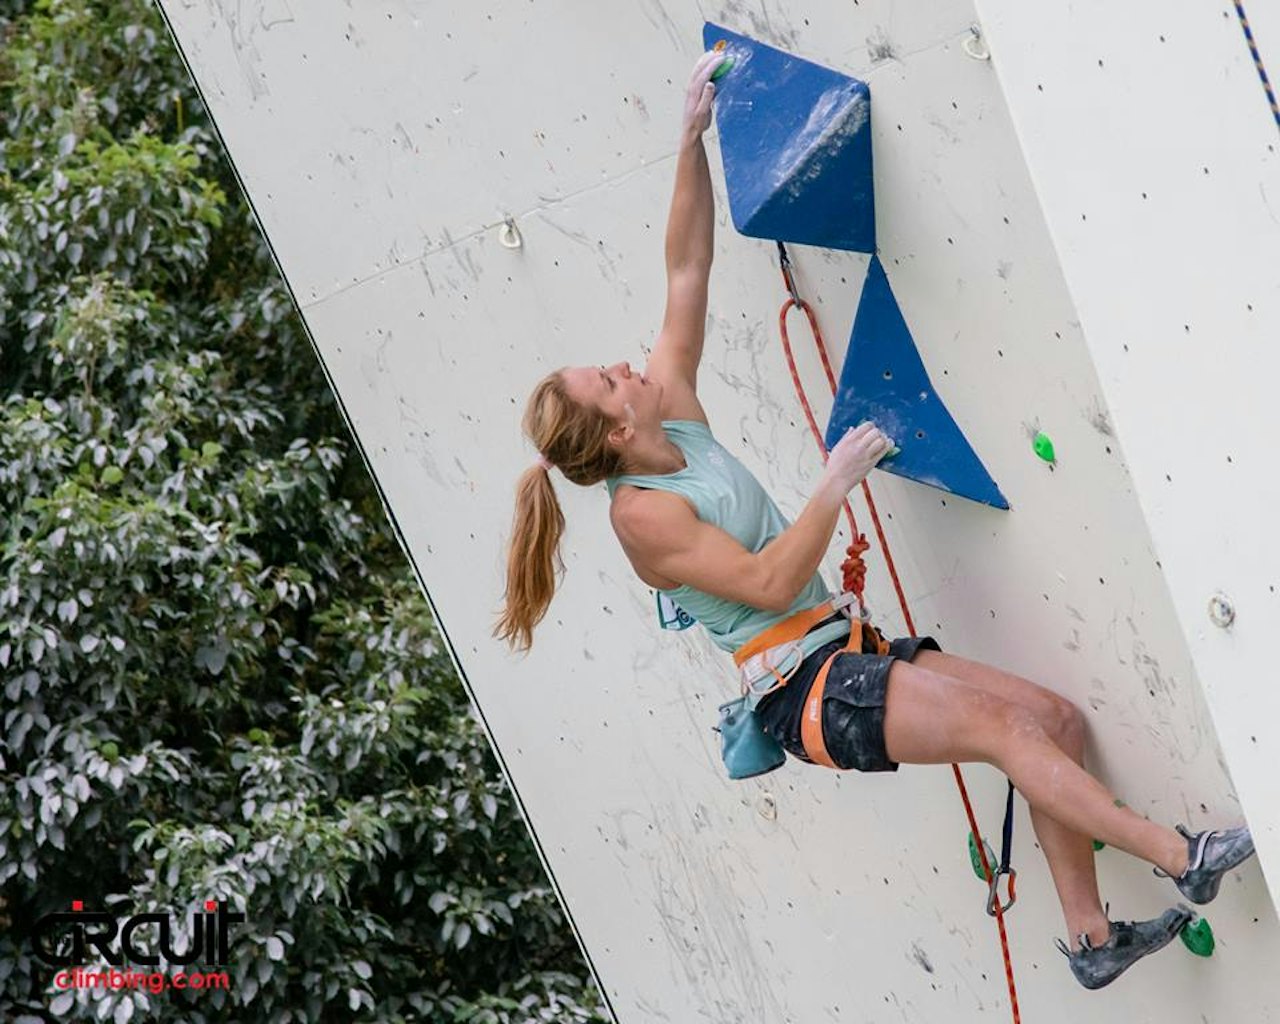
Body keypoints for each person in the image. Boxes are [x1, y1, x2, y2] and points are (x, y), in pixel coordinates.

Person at [494, 51, 1256, 991]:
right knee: (1003, 729)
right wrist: (836, 481)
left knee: (1048, 719)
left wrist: (687, 140)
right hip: (805, 689)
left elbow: (686, 265)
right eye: (609, 378)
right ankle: (1181, 854)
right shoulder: (643, 519)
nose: (624, 363)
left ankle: (1093, 941)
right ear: (616, 427)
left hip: (845, 645)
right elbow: (771, 585)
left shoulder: (674, 411)